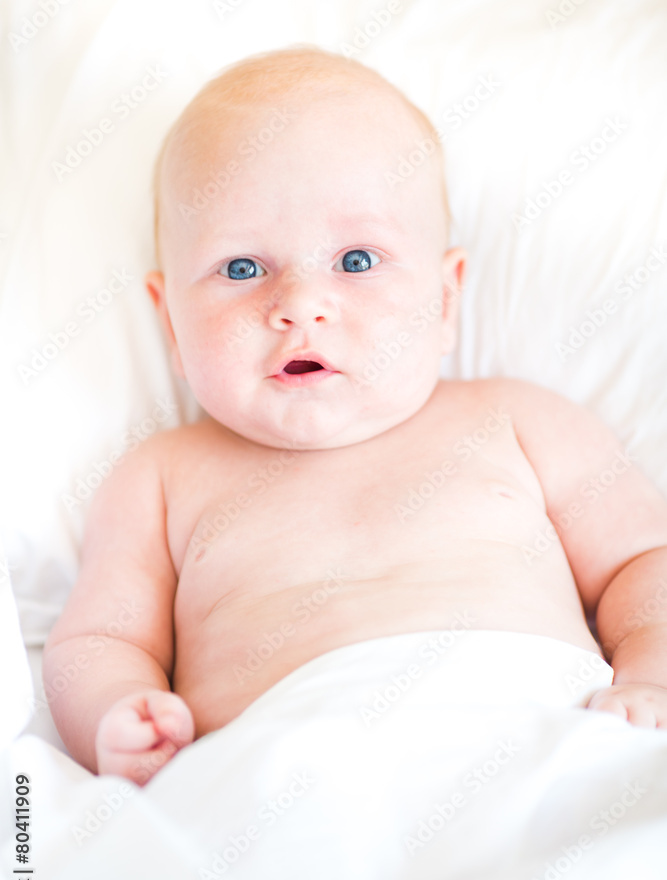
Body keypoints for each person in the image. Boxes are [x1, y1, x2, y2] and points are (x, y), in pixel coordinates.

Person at [43, 45, 667, 785]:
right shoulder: (161, 477)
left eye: (357, 260)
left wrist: (648, 675)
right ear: (172, 324)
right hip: (279, 774)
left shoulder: (521, 423)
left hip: (542, 746)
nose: (300, 304)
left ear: (444, 300)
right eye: (242, 268)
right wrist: (119, 709)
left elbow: (642, 562)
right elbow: (98, 638)